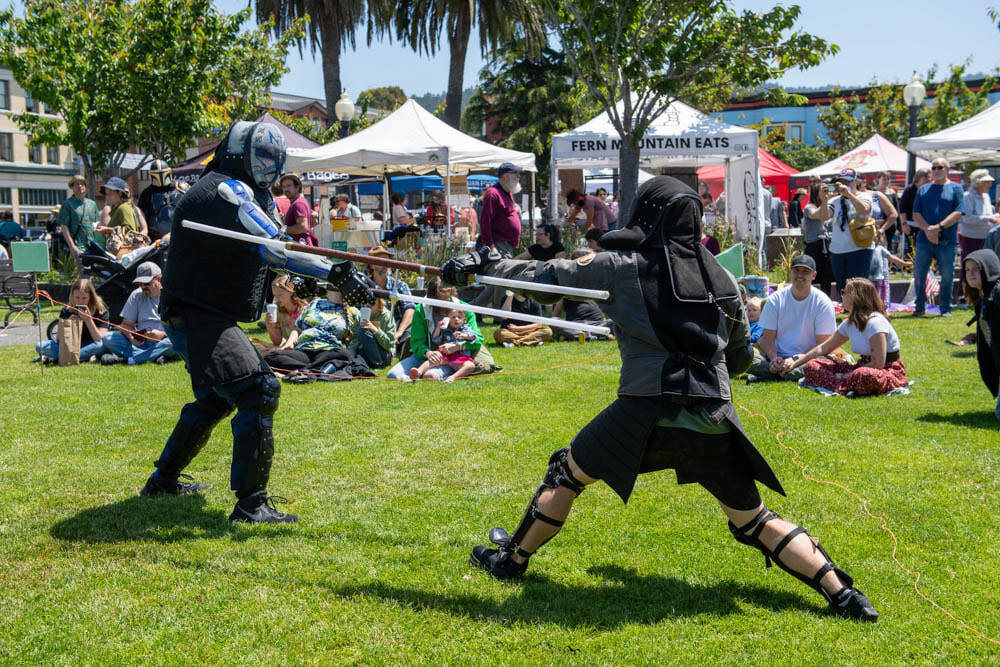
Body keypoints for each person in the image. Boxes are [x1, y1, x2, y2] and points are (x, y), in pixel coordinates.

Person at [441, 175, 878, 621]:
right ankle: (843, 593)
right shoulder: (724, 278)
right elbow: (740, 358)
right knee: (754, 519)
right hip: (711, 412)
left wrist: (485, 265)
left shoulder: (622, 265)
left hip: (645, 411)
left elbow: (549, 280)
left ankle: (510, 560)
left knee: (567, 473)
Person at [140, 119, 372, 523]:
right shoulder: (225, 191)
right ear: (240, 152)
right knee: (258, 389)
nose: (268, 166)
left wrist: (318, 281)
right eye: (261, 156)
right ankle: (251, 504)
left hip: (202, 312)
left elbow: (263, 260)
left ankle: (163, 480)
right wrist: (335, 271)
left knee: (215, 399)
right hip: (197, 313)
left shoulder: (246, 191)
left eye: (273, 159)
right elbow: (274, 248)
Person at [787, 278, 907, 396]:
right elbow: (824, 348)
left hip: (884, 370)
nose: (841, 295)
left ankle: (842, 385)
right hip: (860, 366)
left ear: (857, 297)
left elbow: (878, 364)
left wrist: (846, 375)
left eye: (844, 292)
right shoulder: (849, 323)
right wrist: (796, 362)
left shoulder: (875, 322)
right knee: (812, 366)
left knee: (863, 374)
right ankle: (848, 387)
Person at [748, 254, 836, 383]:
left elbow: (823, 345)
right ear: (791, 272)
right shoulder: (776, 299)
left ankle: (772, 373)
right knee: (746, 355)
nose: (800, 275)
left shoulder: (823, 303)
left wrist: (796, 360)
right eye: (796, 271)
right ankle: (778, 371)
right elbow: (767, 338)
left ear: (814, 275)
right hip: (777, 355)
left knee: (821, 362)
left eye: (805, 271)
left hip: (808, 357)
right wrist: (774, 359)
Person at [386, 277, 483, 381]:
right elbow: (416, 341)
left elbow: (478, 339)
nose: (443, 305)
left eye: (447, 300)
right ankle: (418, 373)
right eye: (439, 301)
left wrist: (457, 346)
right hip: (425, 357)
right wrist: (427, 353)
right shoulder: (421, 310)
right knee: (392, 375)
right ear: (431, 298)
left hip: (454, 358)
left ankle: (430, 375)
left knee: (431, 375)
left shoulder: (464, 309)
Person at [912, 158, 965, 317]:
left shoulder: (956, 188)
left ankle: (946, 308)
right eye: (933, 168)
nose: (935, 170)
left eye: (939, 167)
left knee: (947, 274)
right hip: (924, 239)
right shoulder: (923, 189)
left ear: (947, 169)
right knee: (919, 274)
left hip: (947, 240)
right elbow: (916, 214)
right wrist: (929, 230)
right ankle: (919, 308)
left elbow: (958, 212)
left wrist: (938, 228)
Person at [809, 169, 873, 294]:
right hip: (838, 250)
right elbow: (824, 217)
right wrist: (824, 200)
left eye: (847, 182)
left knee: (859, 287)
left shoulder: (864, 196)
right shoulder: (835, 201)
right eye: (841, 182)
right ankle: (847, 310)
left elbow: (865, 209)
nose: (844, 185)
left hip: (859, 248)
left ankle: (859, 311)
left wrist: (849, 195)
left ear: (855, 182)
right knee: (842, 287)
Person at [100, 262, 174, 366]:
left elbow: (180, 328)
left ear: (159, 279)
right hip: (140, 343)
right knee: (107, 338)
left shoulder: (171, 296)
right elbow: (126, 325)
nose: (143, 287)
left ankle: (128, 360)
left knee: (175, 343)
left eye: (147, 283)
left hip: (163, 340)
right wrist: (131, 337)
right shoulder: (136, 295)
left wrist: (161, 334)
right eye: (140, 283)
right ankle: (155, 356)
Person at [962, 249, 1000, 421]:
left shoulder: (998, 293)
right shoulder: (982, 298)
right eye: (967, 270)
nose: (971, 273)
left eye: (976, 268)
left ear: (988, 268)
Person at [35, 278, 110, 363]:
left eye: (84, 298)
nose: (80, 301)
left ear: (91, 297)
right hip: (70, 346)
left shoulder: (100, 310)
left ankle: (60, 358)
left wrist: (89, 321)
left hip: (91, 345)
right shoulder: (66, 310)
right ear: (72, 296)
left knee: (102, 345)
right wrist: (68, 324)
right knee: (40, 346)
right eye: (77, 297)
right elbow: (59, 340)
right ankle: (80, 357)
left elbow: (100, 339)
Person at [366, 246, 415, 357]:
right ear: (371, 265)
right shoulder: (365, 285)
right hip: (374, 326)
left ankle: (403, 351)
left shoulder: (400, 285)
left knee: (410, 330)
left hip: (397, 326)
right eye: (380, 261)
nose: (385, 265)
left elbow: (410, 308)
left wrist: (399, 332)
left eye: (387, 261)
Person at [408, 308, 477, 382]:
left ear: (464, 320)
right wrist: (438, 328)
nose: (456, 319)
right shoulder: (445, 329)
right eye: (453, 317)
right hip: (446, 356)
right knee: (433, 358)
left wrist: (465, 336)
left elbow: (473, 337)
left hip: (460, 357)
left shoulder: (466, 328)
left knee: (470, 365)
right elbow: (436, 340)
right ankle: (418, 372)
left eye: (459, 317)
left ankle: (452, 377)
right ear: (448, 319)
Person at [959, 170, 1000, 291]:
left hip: (986, 236)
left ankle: (982, 292)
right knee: (968, 266)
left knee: (983, 266)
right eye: (987, 182)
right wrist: (989, 218)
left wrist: (994, 217)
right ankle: (963, 294)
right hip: (970, 238)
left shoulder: (986, 197)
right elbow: (966, 217)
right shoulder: (967, 196)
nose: (990, 185)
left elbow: (988, 214)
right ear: (978, 183)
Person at [478, 163, 523, 257]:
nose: (518, 176)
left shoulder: (508, 192)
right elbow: (485, 222)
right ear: (506, 176)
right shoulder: (492, 194)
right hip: (498, 246)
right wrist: (491, 246)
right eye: (515, 173)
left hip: (506, 246)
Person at [802, 182, 835, 295]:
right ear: (816, 193)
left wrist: (826, 200)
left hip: (826, 244)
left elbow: (825, 216)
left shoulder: (827, 205)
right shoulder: (808, 207)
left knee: (827, 276)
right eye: (823, 190)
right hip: (813, 245)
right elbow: (817, 215)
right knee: (812, 275)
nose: (826, 193)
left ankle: (826, 299)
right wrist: (825, 200)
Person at [138, 160, 184, 241]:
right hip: (156, 238)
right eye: (157, 174)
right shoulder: (147, 194)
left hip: (180, 234)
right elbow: (141, 217)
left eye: (163, 173)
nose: (161, 177)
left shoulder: (181, 188)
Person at [57, 175, 100, 254]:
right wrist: (72, 247)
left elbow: (97, 223)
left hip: (92, 246)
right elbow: (64, 226)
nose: (80, 186)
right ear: (72, 187)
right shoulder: (67, 204)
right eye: (76, 184)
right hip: (77, 247)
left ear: (85, 187)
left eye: (82, 184)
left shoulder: (92, 204)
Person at [350, 294, 395, 370]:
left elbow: (389, 344)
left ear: (379, 302)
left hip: (383, 354)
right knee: (357, 364)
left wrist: (375, 329)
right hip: (365, 351)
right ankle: (364, 364)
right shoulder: (360, 315)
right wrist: (351, 355)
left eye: (372, 301)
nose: (367, 304)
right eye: (366, 301)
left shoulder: (387, 316)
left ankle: (378, 365)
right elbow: (355, 339)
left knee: (363, 330)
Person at [264, 275, 309, 350]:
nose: (276, 298)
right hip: (287, 347)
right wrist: (270, 325)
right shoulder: (278, 312)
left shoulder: (303, 311)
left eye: (280, 294)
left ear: (291, 291)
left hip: (303, 348)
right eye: (275, 295)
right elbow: (277, 342)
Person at [899, 168, 930, 259]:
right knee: (911, 249)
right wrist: (904, 224)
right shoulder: (909, 190)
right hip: (911, 225)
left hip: (925, 225)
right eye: (926, 178)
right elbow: (902, 208)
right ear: (919, 178)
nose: (928, 180)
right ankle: (910, 268)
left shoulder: (928, 190)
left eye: (929, 177)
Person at [279, 173, 317, 246]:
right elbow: (313, 222)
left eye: (289, 186)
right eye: (283, 187)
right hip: (301, 247)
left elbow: (302, 227)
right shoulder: (299, 202)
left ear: (297, 187)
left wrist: (283, 230)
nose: (286, 189)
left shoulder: (298, 203)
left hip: (301, 248)